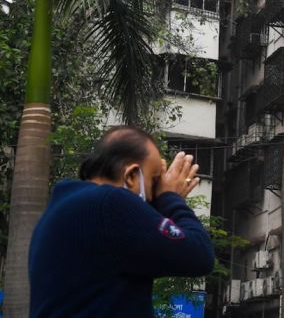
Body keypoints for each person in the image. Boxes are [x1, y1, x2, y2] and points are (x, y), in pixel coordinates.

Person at [29, 126, 215, 317]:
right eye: (154, 180)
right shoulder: (111, 204)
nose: (154, 194)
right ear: (132, 176)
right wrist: (170, 197)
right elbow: (199, 254)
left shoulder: (57, 212)